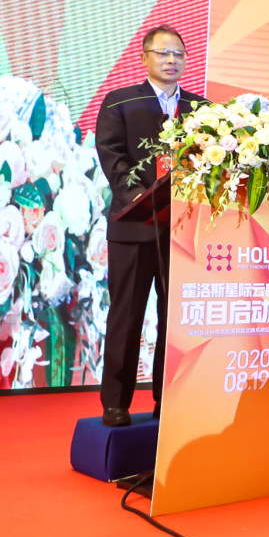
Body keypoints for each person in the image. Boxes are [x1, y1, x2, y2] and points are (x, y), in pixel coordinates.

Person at [95, 26, 205, 427]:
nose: (172, 60)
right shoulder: (121, 102)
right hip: (134, 227)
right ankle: (116, 402)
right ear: (144, 58)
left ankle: (168, 398)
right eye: (163, 53)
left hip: (184, 232)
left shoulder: (202, 109)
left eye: (178, 53)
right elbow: (112, 156)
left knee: (176, 319)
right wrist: (141, 198)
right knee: (127, 315)